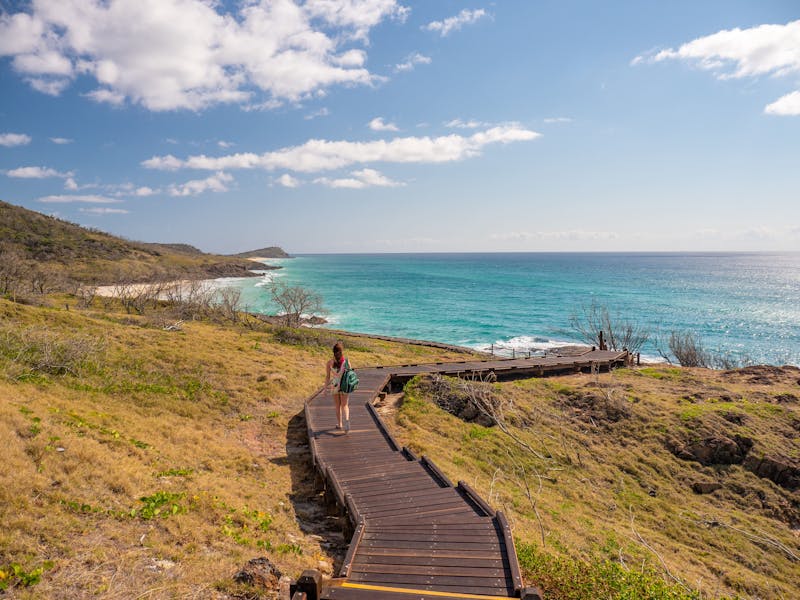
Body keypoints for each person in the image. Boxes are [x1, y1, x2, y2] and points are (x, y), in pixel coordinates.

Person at [325, 341, 353, 433]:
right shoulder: (346, 361)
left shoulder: (329, 362)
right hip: (344, 385)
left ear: (333, 352)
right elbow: (350, 374)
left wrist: (325, 389)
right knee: (345, 405)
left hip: (335, 385)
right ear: (342, 351)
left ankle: (340, 424)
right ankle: (347, 421)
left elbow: (327, 377)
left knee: (337, 406)